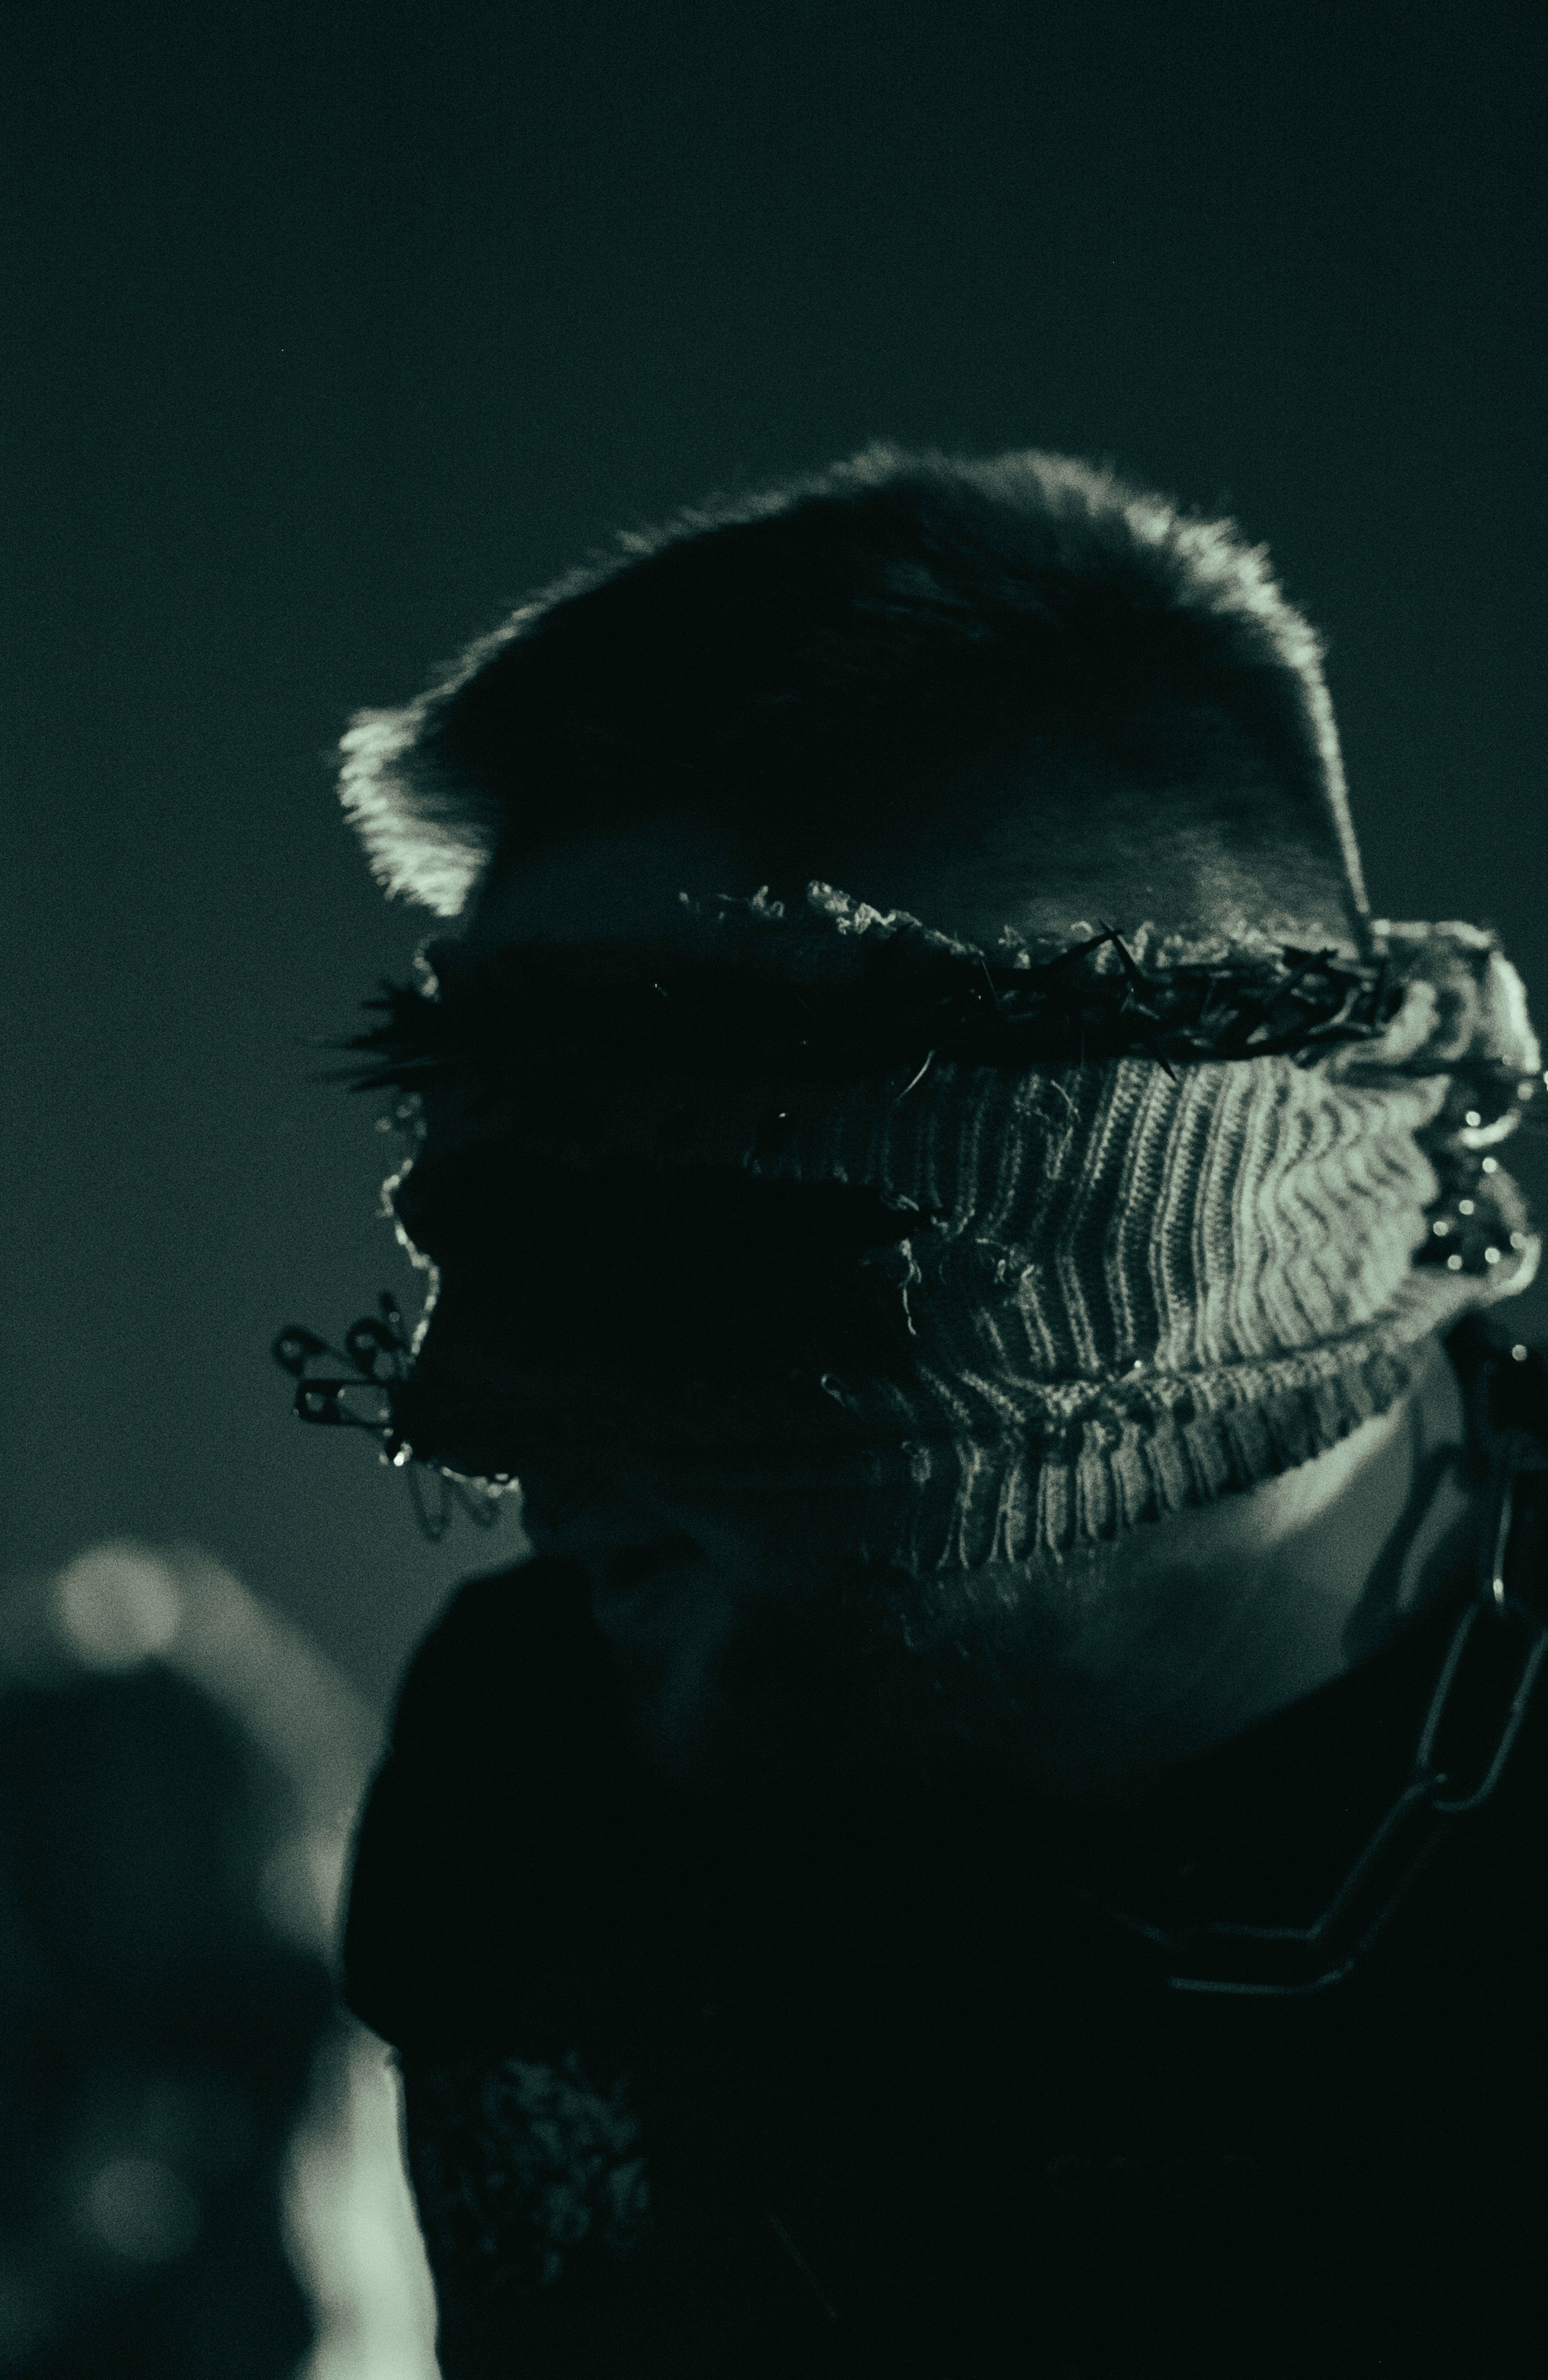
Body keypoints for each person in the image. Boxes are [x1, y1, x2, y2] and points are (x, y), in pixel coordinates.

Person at [313, 449, 1546, 2376]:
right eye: (497, 1231)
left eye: (692, 1278)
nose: (524, 1464)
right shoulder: (538, 1767)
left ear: (1155, 1246)